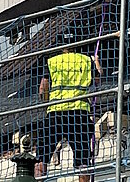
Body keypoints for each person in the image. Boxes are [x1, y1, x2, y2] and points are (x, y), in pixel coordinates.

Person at [36, 27, 102, 182]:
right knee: (83, 158)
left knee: (42, 155)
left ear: (61, 46)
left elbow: (43, 88)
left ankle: (38, 179)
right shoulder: (86, 60)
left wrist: (47, 104)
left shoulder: (52, 62)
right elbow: (98, 81)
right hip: (79, 113)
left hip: (55, 113)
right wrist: (96, 62)